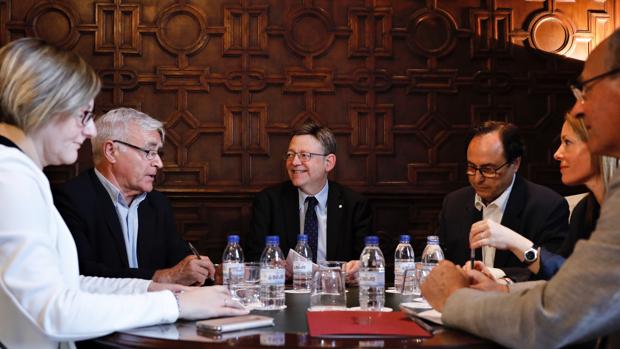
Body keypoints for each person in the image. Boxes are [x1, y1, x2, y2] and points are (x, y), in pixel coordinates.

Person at [0, 38, 247, 349]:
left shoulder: (18, 173)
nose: (90, 131)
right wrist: (176, 306)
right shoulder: (10, 177)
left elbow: (71, 285)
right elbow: (54, 312)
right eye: (84, 115)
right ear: (42, 105)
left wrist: (155, 291)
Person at [421, 29, 620, 348]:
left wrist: (455, 300)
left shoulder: (556, 203)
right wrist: (500, 292)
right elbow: (570, 292)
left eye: (588, 90)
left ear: (514, 164)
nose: (580, 108)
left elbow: (554, 317)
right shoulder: (591, 207)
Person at [54, 108, 214, 286]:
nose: (159, 163)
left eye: (158, 153)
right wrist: (161, 277)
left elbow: (178, 262)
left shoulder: (157, 204)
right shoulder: (70, 200)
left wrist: (205, 272)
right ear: (111, 151)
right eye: (149, 152)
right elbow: (82, 273)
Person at [469, 113, 619, 280]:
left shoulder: (552, 205)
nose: (557, 154)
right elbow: (562, 277)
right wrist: (499, 289)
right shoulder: (584, 211)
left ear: (599, 147)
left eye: (567, 142)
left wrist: (513, 241)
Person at [437, 121, 569, 280]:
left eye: (488, 170)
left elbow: (555, 270)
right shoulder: (454, 203)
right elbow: (439, 258)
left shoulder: (547, 206)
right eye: (472, 167)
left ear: (515, 164)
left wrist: (497, 274)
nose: (478, 179)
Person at [246, 120, 371, 274]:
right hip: (287, 292)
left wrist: (357, 270)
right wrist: (273, 269)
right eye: (290, 155)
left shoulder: (354, 205)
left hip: (336, 292)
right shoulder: (268, 202)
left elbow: (366, 260)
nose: (294, 162)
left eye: (304, 155)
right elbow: (254, 259)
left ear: (329, 162)